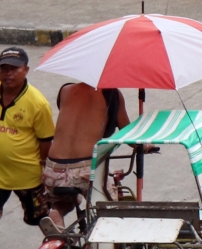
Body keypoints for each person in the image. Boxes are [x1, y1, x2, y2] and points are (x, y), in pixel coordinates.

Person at [43, 82, 128, 217]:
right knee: (111, 210)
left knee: (64, 201)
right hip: (85, 169)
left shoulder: (65, 89)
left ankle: (57, 214)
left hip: (54, 169)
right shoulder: (112, 94)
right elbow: (126, 132)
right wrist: (145, 147)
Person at [0, 46, 52, 229]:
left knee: (40, 220)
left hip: (27, 177)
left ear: (26, 70)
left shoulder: (37, 102)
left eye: (14, 69)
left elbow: (46, 140)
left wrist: (44, 168)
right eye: (4, 69)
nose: (8, 74)